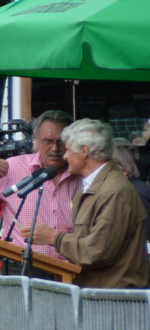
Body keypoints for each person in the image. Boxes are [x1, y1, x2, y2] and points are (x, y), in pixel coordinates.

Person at [28, 120, 150, 288]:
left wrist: (52, 237)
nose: (65, 156)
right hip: (103, 295)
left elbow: (96, 252)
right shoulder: (95, 187)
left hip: (115, 299)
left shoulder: (114, 192)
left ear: (84, 151)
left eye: (68, 149)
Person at [0, 110, 77, 260]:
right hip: (22, 270)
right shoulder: (13, 168)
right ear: (36, 139)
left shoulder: (81, 174)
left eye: (60, 142)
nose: (55, 149)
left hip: (71, 275)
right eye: (48, 141)